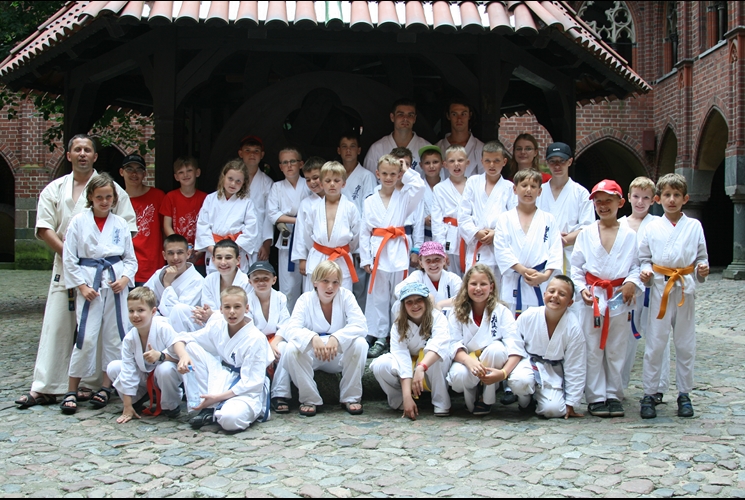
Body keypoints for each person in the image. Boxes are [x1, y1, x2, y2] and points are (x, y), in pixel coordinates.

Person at [15, 134, 136, 410]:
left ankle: (91, 385)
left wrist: (105, 265)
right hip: (66, 267)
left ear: (95, 156)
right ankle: (46, 386)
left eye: (88, 150)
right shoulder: (54, 189)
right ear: (68, 155)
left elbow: (126, 230)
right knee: (57, 326)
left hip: (103, 272)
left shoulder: (114, 190)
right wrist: (72, 257)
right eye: (77, 149)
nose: (82, 154)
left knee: (98, 329)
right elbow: (44, 228)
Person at [59, 173, 138, 414]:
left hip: (115, 283)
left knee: (114, 336)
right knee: (86, 336)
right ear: (91, 198)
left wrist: (125, 279)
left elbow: (130, 259)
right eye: (99, 197)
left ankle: (106, 387)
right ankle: (72, 388)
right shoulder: (78, 222)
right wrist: (81, 286)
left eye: (108, 197)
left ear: (114, 199)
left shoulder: (120, 224)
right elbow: (69, 258)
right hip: (89, 283)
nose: (104, 202)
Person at [638, 173, 709, 419]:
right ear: (658, 198)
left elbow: (701, 256)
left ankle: (684, 394)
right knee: (655, 343)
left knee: (685, 344)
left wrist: (702, 268)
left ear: (685, 199)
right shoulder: (652, 227)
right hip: (660, 287)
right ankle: (649, 393)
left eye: (677, 195)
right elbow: (644, 258)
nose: (672, 200)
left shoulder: (694, 226)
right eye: (667, 195)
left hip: (684, 288)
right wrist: (645, 272)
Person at [570, 180, 642, 418]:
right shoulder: (586, 234)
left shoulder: (630, 235)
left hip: (619, 296)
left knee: (616, 347)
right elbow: (576, 267)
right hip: (593, 297)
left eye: (608, 201)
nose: (603, 206)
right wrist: (581, 289)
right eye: (598, 201)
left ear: (620, 203)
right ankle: (596, 396)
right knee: (592, 348)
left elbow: (636, 266)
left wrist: (631, 283)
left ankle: (613, 393)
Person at [174, 286, 273, 431]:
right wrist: (183, 356)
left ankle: (218, 405)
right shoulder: (218, 325)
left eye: (237, 307)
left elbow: (252, 383)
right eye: (227, 307)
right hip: (223, 376)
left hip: (246, 389)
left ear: (246, 308)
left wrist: (217, 397)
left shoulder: (256, 338)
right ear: (220, 309)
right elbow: (183, 338)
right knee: (191, 347)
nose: (232, 311)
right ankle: (208, 408)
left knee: (229, 420)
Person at [282, 261, 369, 417]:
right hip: (313, 355)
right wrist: (312, 337)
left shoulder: (346, 296)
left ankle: (350, 397)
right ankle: (309, 398)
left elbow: (361, 325)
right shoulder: (304, 300)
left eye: (335, 282)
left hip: (337, 354)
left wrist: (337, 337)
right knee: (290, 349)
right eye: (325, 281)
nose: (330, 287)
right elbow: (291, 329)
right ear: (315, 282)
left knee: (360, 344)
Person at [360, 154, 426, 359]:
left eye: (393, 174)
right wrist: (366, 258)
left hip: (398, 250)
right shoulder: (370, 200)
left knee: (399, 295)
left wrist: (406, 170)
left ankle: (398, 334)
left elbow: (419, 187)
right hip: (378, 252)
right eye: (385, 174)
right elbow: (364, 231)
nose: (389, 178)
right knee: (378, 296)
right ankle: (380, 335)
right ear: (377, 174)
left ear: (399, 175)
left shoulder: (405, 197)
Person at [446, 264, 533, 415]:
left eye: (483, 284)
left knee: (496, 350)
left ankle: (487, 399)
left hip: (494, 362)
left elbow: (515, 346)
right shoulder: (456, 312)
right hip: (467, 361)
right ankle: (471, 397)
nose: (478, 288)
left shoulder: (502, 311)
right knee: (458, 376)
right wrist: (469, 361)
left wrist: (503, 373)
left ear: (491, 287)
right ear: (466, 287)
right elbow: (453, 344)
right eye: (473, 284)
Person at [370, 282, 452, 418]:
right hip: (410, 369)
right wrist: (407, 396)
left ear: (426, 301)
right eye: (409, 302)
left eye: (419, 300)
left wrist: (421, 367)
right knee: (380, 364)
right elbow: (401, 358)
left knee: (434, 354)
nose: (415, 305)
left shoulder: (438, 318)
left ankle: (440, 401)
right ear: (403, 305)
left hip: (430, 369)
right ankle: (402, 401)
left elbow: (439, 345)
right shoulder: (398, 325)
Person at [620, 176, 667, 396]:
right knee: (624, 338)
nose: (640, 202)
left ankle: (658, 387)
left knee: (657, 337)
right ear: (629, 197)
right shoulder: (619, 224)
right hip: (627, 288)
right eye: (636, 197)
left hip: (652, 287)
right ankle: (619, 385)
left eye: (646, 198)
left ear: (654, 200)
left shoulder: (658, 224)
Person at [106, 287, 183, 423]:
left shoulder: (163, 327)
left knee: (165, 369)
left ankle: (170, 404)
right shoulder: (129, 339)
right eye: (131, 311)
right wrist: (127, 405)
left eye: (140, 310)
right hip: (144, 377)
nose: (135, 315)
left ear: (153, 311)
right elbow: (127, 371)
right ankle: (135, 401)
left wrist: (161, 356)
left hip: (164, 376)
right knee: (113, 367)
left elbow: (180, 358)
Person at [494, 169, 563, 318]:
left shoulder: (548, 219)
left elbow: (556, 251)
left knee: (539, 323)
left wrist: (545, 276)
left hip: (540, 280)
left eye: (533, 186)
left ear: (540, 191)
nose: (528, 190)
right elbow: (501, 250)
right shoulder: (505, 219)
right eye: (524, 185)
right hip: (514, 281)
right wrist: (522, 270)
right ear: (515, 189)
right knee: (511, 324)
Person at [516, 275, 587, 419]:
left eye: (562, 294)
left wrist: (571, 402)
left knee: (554, 410)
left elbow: (575, 365)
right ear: (544, 294)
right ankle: (525, 401)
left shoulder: (573, 327)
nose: (555, 296)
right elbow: (514, 343)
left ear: (570, 302)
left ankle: (539, 398)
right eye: (552, 291)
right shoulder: (529, 315)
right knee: (520, 381)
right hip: (527, 363)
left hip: (552, 371)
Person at [296, 161, 360, 293]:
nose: (332, 184)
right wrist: (320, 249)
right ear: (321, 183)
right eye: (328, 180)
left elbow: (357, 235)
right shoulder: (314, 208)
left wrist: (345, 249)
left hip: (341, 258)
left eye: (336, 180)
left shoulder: (350, 208)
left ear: (344, 183)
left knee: (341, 296)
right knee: (315, 297)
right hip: (318, 257)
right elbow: (307, 234)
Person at [458, 140, 516, 276]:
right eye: (488, 161)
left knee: (498, 285)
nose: (492, 165)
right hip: (476, 244)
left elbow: (514, 218)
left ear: (504, 162)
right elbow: (463, 215)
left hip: (499, 247)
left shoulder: (509, 187)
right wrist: (476, 232)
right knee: (475, 284)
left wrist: (496, 233)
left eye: (496, 161)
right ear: (482, 161)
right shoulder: (473, 182)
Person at [536, 142, 594, 274]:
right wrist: (552, 239)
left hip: (570, 254)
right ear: (547, 163)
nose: (557, 166)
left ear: (569, 162)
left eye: (561, 161)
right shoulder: (539, 191)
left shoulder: (581, 193)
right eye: (552, 161)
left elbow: (587, 227)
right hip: (542, 252)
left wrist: (564, 240)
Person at [195, 159, 259, 274]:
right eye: (230, 179)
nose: (233, 184)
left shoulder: (247, 203)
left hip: (235, 251)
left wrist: (233, 250)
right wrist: (214, 250)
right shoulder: (210, 199)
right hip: (214, 249)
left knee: (236, 283)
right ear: (223, 177)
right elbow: (202, 226)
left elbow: (251, 230)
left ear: (244, 183)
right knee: (214, 281)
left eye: (238, 181)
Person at [245, 262, 291, 415]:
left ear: (274, 280)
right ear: (250, 282)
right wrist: (265, 346)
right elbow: (248, 328)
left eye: (265, 278)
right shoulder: (246, 300)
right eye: (256, 279)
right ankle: (259, 392)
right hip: (255, 341)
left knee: (284, 348)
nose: (261, 282)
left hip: (276, 339)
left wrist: (274, 343)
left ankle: (279, 394)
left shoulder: (280, 298)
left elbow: (285, 324)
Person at [268, 147, 311, 311]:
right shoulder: (277, 187)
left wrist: (300, 222)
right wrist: (297, 220)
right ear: (280, 167)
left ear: (301, 164)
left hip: (307, 236)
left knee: (309, 283)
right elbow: (272, 214)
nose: (289, 165)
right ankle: (288, 320)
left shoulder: (308, 184)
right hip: (288, 235)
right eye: (285, 162)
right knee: (288, 287)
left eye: (293, 161)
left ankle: (307, 319)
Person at [177, 239, 252, 332]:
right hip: (210, 324)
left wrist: (212, 315)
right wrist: (203, 314)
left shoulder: (246, 282)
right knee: (180, 309)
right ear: (213, 260)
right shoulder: (209, 279)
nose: (223, 262)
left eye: (228, 258)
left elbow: (245, 314)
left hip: (235, 327)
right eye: (219, 258)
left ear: (238, 260)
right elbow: (207, 308)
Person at [338, 132, 376, 309]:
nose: (348, 150)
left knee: (359, 287)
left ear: (359, 150)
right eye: (344, 147)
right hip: (338, 238)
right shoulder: (334, 176)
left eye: (352, 146)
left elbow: (369, 211)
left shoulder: (367, 176)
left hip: (360, 238)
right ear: (338, 150)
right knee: (340, 286)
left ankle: (359, 320)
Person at [119, 154, 165, 286]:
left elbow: (165, 229)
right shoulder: (116, 200)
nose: (134, 173)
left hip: (152, 265)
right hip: (124, 268)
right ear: (121, 172)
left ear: (144, 174)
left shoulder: (158, 196)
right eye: (129, 169)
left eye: (138, 169)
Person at [143, 234, 204, 331]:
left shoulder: (197, 280)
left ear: (188, 254)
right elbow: (144, 298)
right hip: (159, 324)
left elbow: (177, 314)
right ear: (164, 255)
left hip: (185, 329)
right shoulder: (160, 274)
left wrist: (167, 284)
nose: (175, 258)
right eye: (171, 253)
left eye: (180, 253)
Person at [160, 155, 208, 275]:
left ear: (197, 172)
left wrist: (200, 250)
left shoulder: (206, 198)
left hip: (199, 254)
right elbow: (167, 226)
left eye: (189, 170)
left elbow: (209, 227)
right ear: (176, 177)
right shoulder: (170, 197)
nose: (185, 175)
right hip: (177, 255)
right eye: (181, 172)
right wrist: (180, 245)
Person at [363, 98, 431, 175]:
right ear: (392, 117)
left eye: (410, 115)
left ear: (414, 119)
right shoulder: (377, 149)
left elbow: (434, 179)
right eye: (400, 114)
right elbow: (369, 180)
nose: (405, 118)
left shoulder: (426, 148)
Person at [431, 145, 469, 277]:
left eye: (460, 160)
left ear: (467, 163)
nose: (456, 164)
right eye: (452, 161)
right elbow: (436, 221)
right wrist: (440, 249)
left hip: (470, 237)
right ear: (445, 164)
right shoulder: (439, 188)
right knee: (451, 278)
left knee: (472, 277)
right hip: (449, 237)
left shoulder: (475, 185)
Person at [393, 241, 461, 313]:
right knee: (398, 304)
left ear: (444, 260)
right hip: (422, 316)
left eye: (437, 259)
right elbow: (398, 290)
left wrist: (440, 304)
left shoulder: (452, 278)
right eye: (428, 260)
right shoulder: (418, 276)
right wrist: (425, 295)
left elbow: (463, 296)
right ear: (421, 263)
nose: (433, 264)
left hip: (448, 318)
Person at [238, 136, 276, 263]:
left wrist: (266, 244)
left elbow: (269, 216)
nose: (252, 154)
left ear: (262, 155)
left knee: (258, 274)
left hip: (258, 241)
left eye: (256, 151)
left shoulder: (267, 183)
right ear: (240, 153)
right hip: (236, 238)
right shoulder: (233, 181)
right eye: (247, 150)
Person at [291, 157, 326, 293]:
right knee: (313, 291)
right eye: (307, 179)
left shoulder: (340, 200)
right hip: (314, 254)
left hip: (336, 255)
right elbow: (300, 233)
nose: (312, 182)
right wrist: (302, 259)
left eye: (316, 177)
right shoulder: (306, 204)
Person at [390, 147, 425, 270]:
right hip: (385, 240)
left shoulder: (414, 191)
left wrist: (416, 249)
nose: (401, 168)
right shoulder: (379, 191)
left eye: (406, 165)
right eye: (398, 164)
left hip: (407, 239)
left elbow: (419, 223)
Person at [435, 99, 484, 177]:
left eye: (463, 114)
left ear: (469, 115)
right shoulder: (438, 148)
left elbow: (485, 179)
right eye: (454, 114)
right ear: (448, 116)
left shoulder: (480, 148)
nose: (459, 119)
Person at [418, 145, 443, 243]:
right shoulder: (417, 188)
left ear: (442, 163)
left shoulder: (448, 187)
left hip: (444, 236)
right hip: (423, 237)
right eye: (427, 163)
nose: (431, 166)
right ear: (421, 165)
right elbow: (410, 214)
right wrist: (423, 220)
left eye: (435, 162)